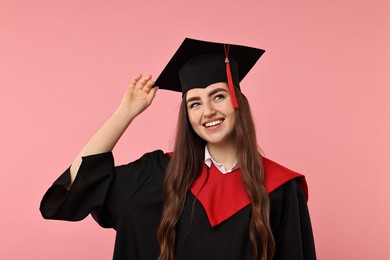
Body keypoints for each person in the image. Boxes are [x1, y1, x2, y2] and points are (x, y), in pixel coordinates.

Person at [40, 38, 316, 260]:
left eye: (218, 96)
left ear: (237, 102)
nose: (207, 111)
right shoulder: (156, 174)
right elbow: (75, 188)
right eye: (194, 103)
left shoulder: (280, 188)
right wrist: (125, 113)